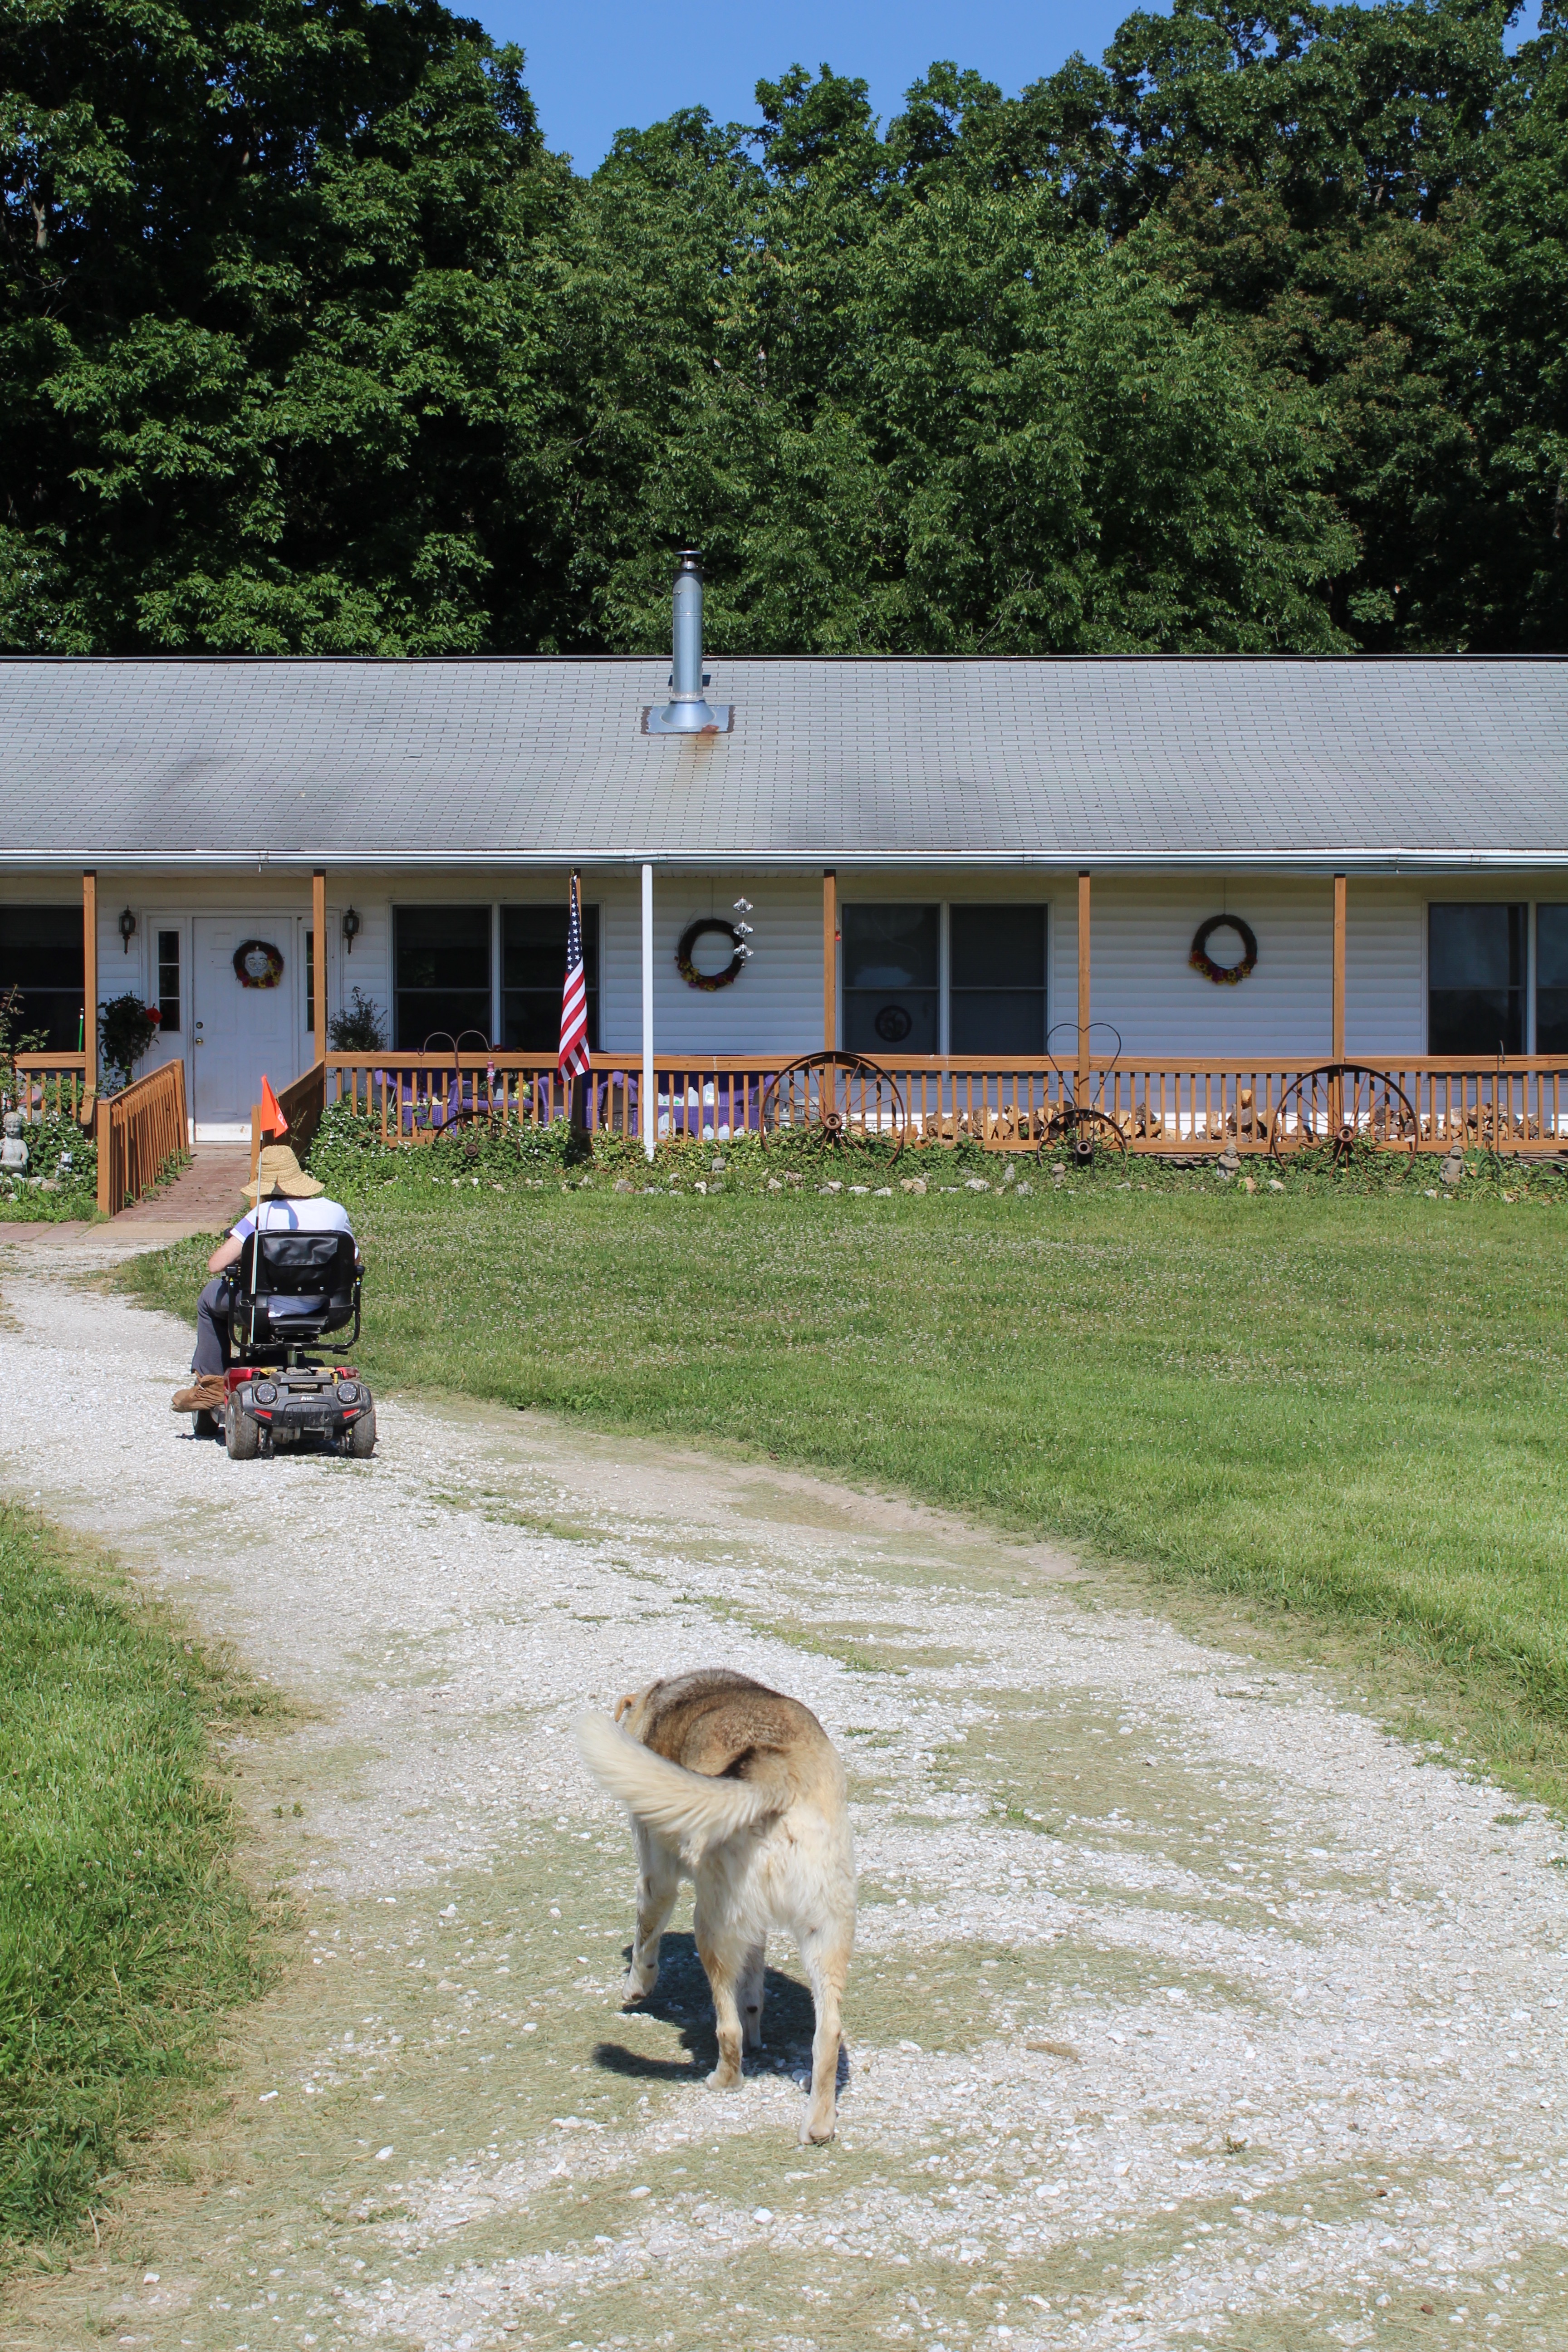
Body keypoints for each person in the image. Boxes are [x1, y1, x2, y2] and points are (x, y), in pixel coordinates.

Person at [171, 1144, 358, 1414]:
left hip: (264, 1308)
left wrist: (244, 1258)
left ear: (267, 1183)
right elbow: (354, 1261)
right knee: (260, 1296)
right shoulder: (335, 1212)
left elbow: (216, 1265)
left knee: (211, 1297)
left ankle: (210, 1384)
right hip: (324, 1307)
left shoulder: (263, 1214)